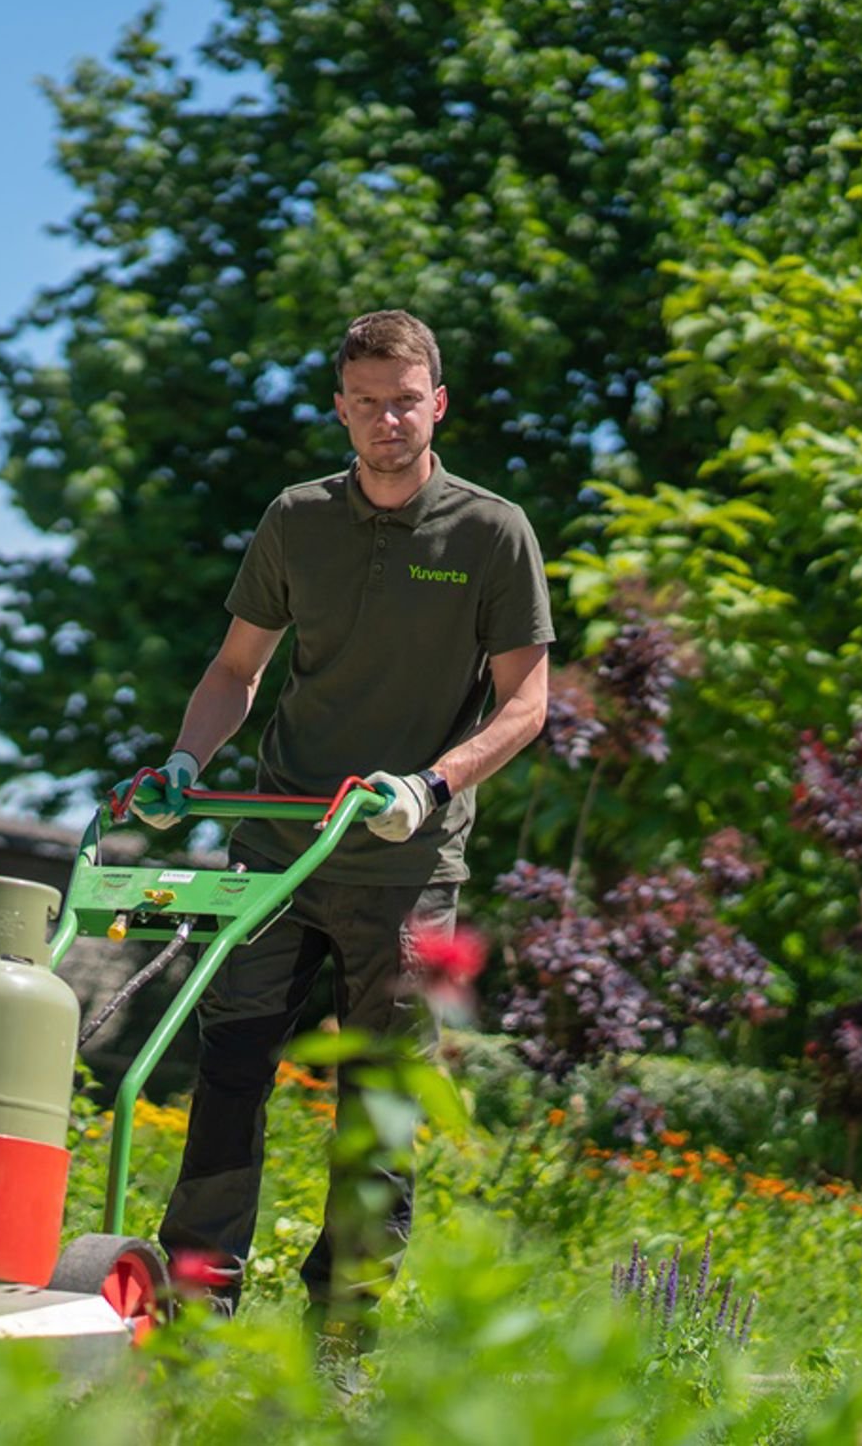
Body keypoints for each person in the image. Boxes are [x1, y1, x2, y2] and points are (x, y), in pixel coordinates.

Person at [123, 309, 553, 1348]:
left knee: (379, 1107)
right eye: (365, 403)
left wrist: (432, 786)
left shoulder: (491, 532)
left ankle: (341, 1346)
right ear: (341, 410)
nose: (385, 420)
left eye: (404, 400)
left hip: (406, 863)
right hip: (277, 845)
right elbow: (236, 672)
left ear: (436, 403)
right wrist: (188, 762)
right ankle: (191, 1317)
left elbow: (527, 704)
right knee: (229, 1073)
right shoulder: (296, 520)